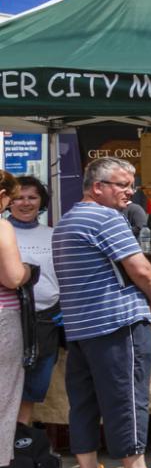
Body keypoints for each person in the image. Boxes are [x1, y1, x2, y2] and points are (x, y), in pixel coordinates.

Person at [51, 158, 151, 468]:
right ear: (98, 187)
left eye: (131, 185)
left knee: (83, 401)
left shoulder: (67, 220)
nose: (130, 192)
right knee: (126, 397)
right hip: (116, 321)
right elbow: (141, 269)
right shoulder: (106, 217)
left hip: (80, 325)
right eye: (123, 185)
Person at [9, 176, 60, 431]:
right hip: (9, 319)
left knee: (33, 388)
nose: (25, 203)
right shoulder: (3, 231)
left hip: (46, 320)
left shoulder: (54, 235)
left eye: (32, 197)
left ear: (41, 201)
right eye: (19, 197)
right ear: (8, 200)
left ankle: (20, 444)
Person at [0, 174, 29, 468]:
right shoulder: (3, 227)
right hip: (3, 318)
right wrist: (28, 272)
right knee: (5, 398)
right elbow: (11, 275)